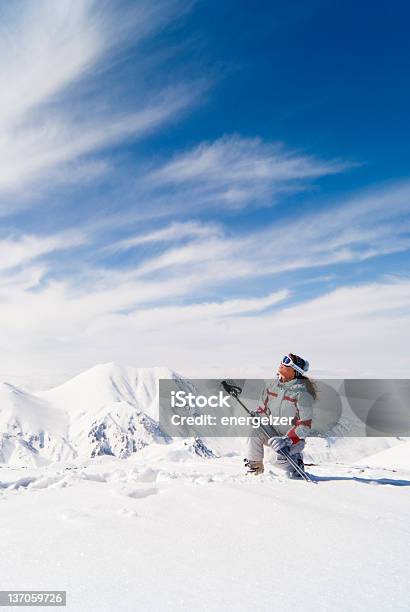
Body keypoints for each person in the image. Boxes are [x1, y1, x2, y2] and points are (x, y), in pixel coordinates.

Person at [245, 353, 316, 478]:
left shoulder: (302, 395)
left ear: (295, 371)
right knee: (255, 432)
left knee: (274, 458)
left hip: (293, 439)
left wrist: (287, 440)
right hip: (275, 433)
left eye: (287, 362)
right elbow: (264, 410)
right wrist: (256, 416)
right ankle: (255, 468)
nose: (282, 363)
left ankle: (296, 463)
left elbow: (305, 426)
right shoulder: (273, 386)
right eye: (283, 360)